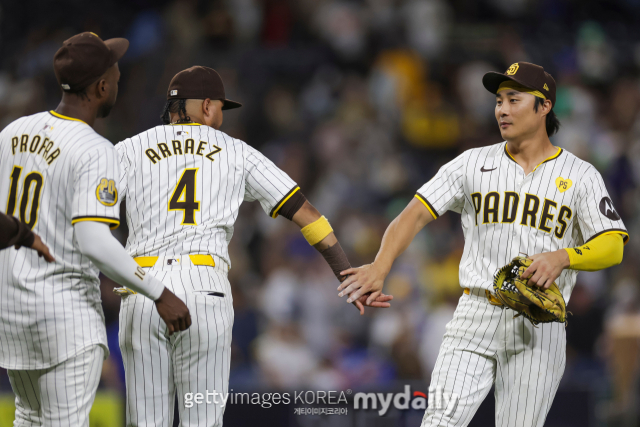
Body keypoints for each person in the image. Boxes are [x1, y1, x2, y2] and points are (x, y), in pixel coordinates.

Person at [338, 62, 628, 427]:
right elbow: (411, 215)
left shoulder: (580, 175)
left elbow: (613, 244)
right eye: (499, 101)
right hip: (476, 313)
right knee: (438, 423)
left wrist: (564, 256)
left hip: (539, 325)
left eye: (514, 99)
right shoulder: (472, 164)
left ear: (544, 106)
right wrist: (380, 266)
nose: (502, 109)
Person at [114, 65, 393, 427]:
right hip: (204, 287)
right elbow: (307, 215)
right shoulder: (236, 152)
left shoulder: (129, 149)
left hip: (142, 285)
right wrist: (346, 273)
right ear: (209, 106)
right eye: (221, 111)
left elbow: (87, 219)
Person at [0, 32, 191, 427]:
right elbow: (94, 241)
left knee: (29, 419)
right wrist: (159, 292)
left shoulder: (12, 132)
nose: (119, 77)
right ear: (102, 86)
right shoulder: (95, 149)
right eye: (115, 71)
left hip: (11, 311)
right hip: (62, 316)